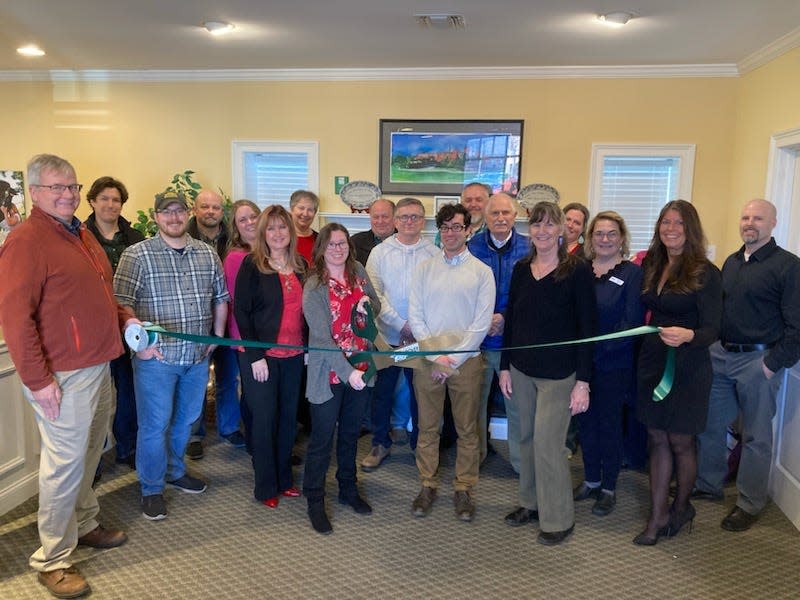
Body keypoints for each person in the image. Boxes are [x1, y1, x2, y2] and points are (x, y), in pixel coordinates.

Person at [0, 154, 139, 599]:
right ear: (35, 192)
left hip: (98, 363)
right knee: (62, 466)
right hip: (62, 372)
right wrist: (38, 381)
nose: (68, 195)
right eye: (57, 188)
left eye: (73, 187)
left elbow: (99, 294)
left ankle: (84, 523)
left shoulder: (79, 234)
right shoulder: (27, 240)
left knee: (89, 452)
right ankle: (52, 559)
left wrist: (126, 317)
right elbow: (16, 317)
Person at [114, 191, 229, 521]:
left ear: (187, 213)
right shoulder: (137, 255)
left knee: (185, 420)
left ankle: (175, 471)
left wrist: (215, 337)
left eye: (180, 211)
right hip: (156, 360)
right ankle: (151, 487)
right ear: (157, 216)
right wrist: (140, 345)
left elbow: (220, 298)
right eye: (167, 213)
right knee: (154, 426)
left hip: (195, 358)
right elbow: (121, 304)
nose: (175, 218)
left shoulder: (207, 255)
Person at [696, 199, 800, 531]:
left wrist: (773, 364)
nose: (749, 222)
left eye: (758, 218)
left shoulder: (789, 266)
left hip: (759, 361)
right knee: (711, 425)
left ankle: (749, 502)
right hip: (722, 356)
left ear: (773, 223)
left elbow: (798, 324)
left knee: (756, 436)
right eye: (745, 217)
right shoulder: (731, 261)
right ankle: (708, 485)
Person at [498, 201, 596, 546]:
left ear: (561, 230)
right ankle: (530, 503)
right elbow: (513, 319)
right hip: (522, 370)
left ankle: (558, 518)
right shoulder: (523, 268)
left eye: (549, 225)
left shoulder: (578, 271)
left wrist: (583, 381)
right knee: (525, 440)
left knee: (548, 444)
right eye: (536, 225)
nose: (542, 231)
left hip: (559, 375)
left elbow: (588, 328)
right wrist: (505, 366)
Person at [633, 199, 722, 545]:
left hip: (689, 363)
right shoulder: (653, 264)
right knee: (656, 437)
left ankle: (681, 507)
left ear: (691, 229)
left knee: (681, 441)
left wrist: (689, 335)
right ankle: (657, 516)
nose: (671, 229)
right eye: (665, 223)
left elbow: (714, 329)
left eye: (679, 224)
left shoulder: (705, 271)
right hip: (654, 360)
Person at [408, 203, 494, 522]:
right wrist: (435, 357)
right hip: (429, 359)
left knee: (467, 429)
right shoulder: (424, 269)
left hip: (467, 361)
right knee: (428, 427)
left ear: (468, 230)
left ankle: (464, 488)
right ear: (439, 231)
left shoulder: (481, 273)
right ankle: (427, 484)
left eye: (457, 227)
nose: (451, 233)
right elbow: (416, 317)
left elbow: (480, 324)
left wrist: (452, 359)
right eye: (445, 227)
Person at [302, 223, 381, 534]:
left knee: (350, 434)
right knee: (321, 440)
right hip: (331, 373)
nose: (338, 248)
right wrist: (349, 374)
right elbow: (321, 339)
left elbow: (375, 305)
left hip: (362, 366)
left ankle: (348, 489)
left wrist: (366, 306)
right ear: (321, 249)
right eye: (332, 244)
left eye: (342, 243)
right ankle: (314, 499)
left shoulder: (358, 270)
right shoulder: (314, 286)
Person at [235, 205, 307, 508]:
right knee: (264, 421)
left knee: (288, 420)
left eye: (283, 228)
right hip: (261, 357)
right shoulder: (252, 265)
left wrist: (307, 349)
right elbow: (242, 313)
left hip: (294, 356)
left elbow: (307, 312)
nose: (278, 234)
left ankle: (285, 480)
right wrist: (255, 356)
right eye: (271, 228)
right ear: (264, 233)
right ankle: (266, 488)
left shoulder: (302, 265)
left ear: (291, 232)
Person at [573, 211, 644, 516]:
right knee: (585, 424)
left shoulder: (631, 273)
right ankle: (590, 479)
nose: (604, 239)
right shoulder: (578, 270)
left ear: (621, 239)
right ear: (590, 239)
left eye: (611, 233)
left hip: (614, 363)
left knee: (609, 425)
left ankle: (608, 487)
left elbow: (632, 321)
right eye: (599, 233)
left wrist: (597, 347)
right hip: (581, 364)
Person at [361, 197, 438, 470]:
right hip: (386, 336)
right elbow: (374, 294)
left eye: (415, 217)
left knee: (420, 394)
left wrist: (415, 327)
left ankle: (419, 445)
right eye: (403, 217)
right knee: (382, 393)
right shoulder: (380, 253)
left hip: (419, 338)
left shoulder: (433, 252)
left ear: (423, 220)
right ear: (395, 221)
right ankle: (380, 442)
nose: (409, 222)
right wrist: (399, 324)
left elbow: (435, 295)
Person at [84, 176, 144, 470]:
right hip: (92, 329)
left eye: (116, 199)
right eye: (104, 198)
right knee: (94, 395)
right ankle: (93, 458)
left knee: (129, 390)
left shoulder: (135, 239)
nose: (111, 204)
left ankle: (127, 446)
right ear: (93, 201)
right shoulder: (79, 237)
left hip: (128, 326)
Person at [467, 192, 530, 469]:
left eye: (506, 213)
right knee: (474, 406)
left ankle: (520, 463)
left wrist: (504, 317)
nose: (501, 218)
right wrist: (485, 320)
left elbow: (531, 296)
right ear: (486, 217)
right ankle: (476, 456)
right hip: (478, 341)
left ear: (515, 217)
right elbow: (465, 293)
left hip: (513, 342)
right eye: (495, 213)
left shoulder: (530, 249)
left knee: (516, 407)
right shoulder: (472, 247)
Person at [186, 189, 244, 458]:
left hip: (229, 318)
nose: (210, 211)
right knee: (197, 379)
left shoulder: (235, 239)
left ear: (223, 212)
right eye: (205, 206)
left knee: (227, 377)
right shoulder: (182, 237)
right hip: (197, 319)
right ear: (195, 209)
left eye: (216, 207)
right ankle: (194, 434)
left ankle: (229, 427)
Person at [223, 200, 261, 453]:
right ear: (236, 227)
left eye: (253, 216)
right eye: (243, 220)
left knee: (261, 392)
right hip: (246, 336)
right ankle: (255, 444)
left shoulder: (268, 251)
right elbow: (236, 303)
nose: (250, 223)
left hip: (268, 335)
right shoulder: (236, 258)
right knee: (253, 393)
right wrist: (243, 341)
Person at [350, 198, 396, 266]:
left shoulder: (406, 241)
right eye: (376, 217)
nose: (380, 221)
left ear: (395, 217)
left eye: (385, 217)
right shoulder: (355, 242)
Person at [289, 189, 320, 264]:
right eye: (301, 208)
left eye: (310, 210)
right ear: (291, 209)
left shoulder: (320, 239)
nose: (305, 214)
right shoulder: (282, 238)